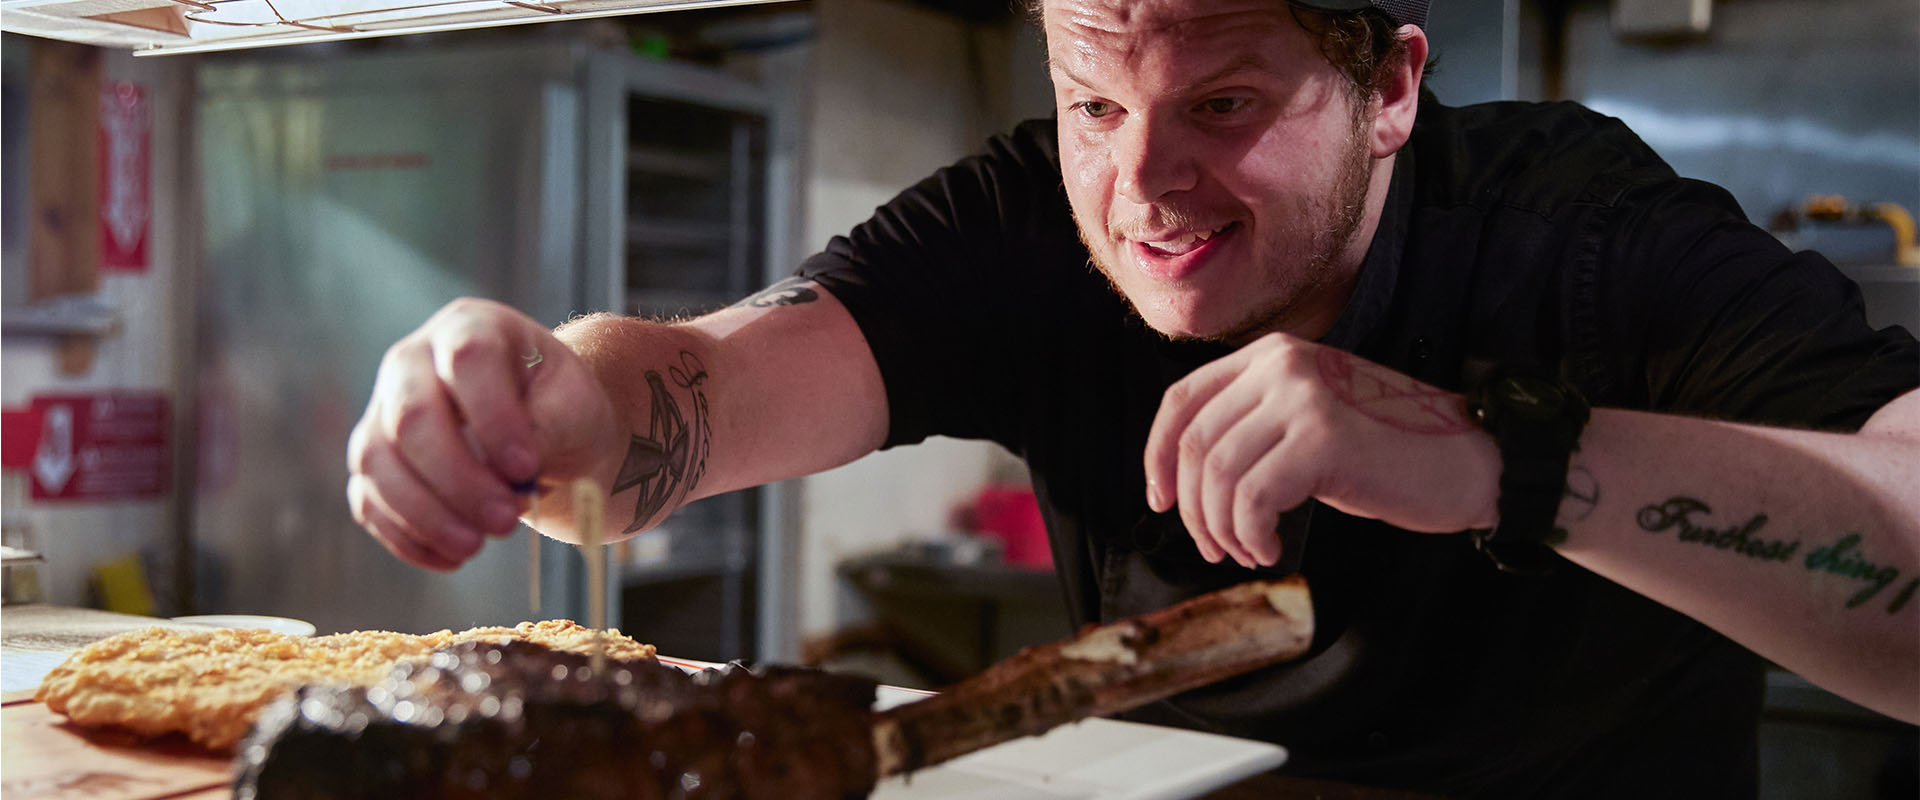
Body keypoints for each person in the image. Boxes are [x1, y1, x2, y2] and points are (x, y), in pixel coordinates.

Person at [345, 0, 1920, 795]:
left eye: (1223, 105)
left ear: (1390, 90)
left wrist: (1508, 460)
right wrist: (545, 401)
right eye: (1094, 100)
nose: (1143, 187)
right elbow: (707, 388)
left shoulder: (1582, 233)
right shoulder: (1034, 222)